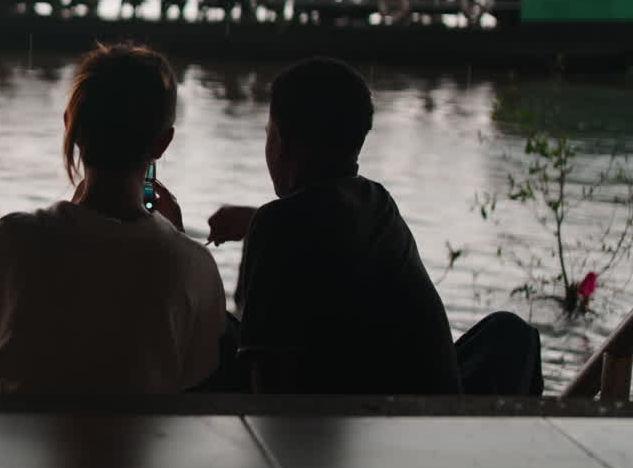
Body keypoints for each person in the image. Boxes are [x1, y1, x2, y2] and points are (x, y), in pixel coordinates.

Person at [207, 58, 541, 395]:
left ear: (277, 142)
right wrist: (255, 223)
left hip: (367, 432)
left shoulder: (277, 225)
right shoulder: (377, 203)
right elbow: (326, 237)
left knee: (214, 332)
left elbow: (268, 389)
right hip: (435, 410)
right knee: (509, 332)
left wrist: (184, 256)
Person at [0, 42, 226, 393]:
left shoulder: (17, 239)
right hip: (133, 445)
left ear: (72, 125)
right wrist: (172, 240)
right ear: (162, 143)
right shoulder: (192, 264)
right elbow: (193, 370)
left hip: (23, 443)